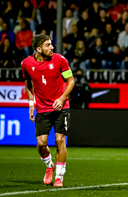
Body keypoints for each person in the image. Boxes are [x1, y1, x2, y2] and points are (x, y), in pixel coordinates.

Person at [21, 34, 75, 187]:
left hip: (61, 106)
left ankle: (59, 176)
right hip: (42, 108)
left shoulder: (60, 60)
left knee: (59, 140)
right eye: (47, 45)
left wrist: (62, 98)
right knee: (41, 144)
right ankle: (49, 165)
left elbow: (71, 81)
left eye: (51, 44)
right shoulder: (26, 64)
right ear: (38, 49)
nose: (51, 48)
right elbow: (28, 83)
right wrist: (31, 103)